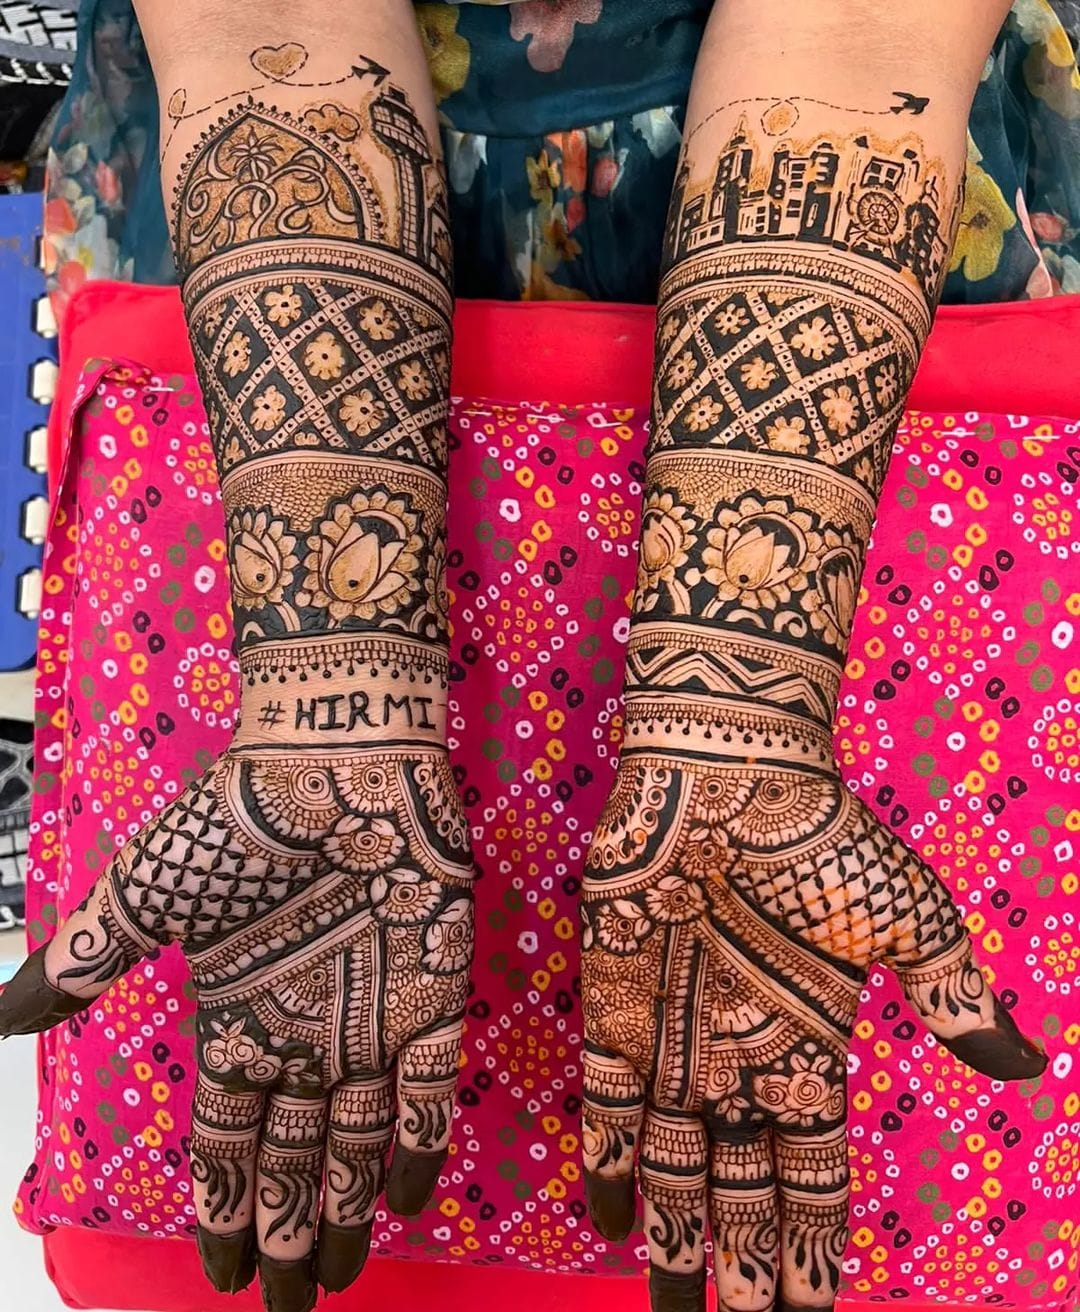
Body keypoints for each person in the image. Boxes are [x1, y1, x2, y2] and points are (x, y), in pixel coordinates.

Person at [0, 5, 1052, 1312]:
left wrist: (739, 725)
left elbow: (858, 37)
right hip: (277, 280)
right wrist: (333, 704)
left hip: (835, 283)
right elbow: (272, 26)